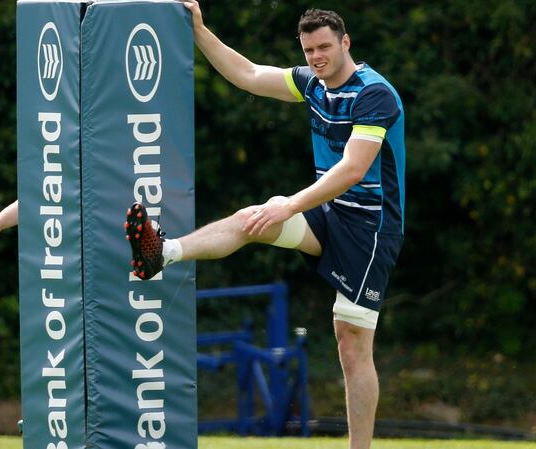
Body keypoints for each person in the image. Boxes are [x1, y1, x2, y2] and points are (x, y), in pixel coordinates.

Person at [125, 5, 405, 449]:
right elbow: (250, 75)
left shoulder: (374, 94)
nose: (316, 57)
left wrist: (288, 204)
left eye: (325, 47)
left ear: (346, 43)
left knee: (351, 343)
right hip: (326, 210)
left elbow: (353, 169)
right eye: (309, 49)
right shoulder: (312, 83)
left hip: (370, 226)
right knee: (251, 219)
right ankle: (163, 252)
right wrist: (199, 30)